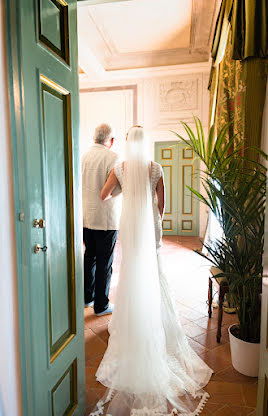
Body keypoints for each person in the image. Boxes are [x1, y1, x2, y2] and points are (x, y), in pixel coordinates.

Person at [89, 126, 213, 416]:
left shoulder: (119, 167)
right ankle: (157, 320)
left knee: (131, 270)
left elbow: (105, 195)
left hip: (130, 225)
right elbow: (161, 206)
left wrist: (124, 189)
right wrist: (152, 219)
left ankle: (134, 317)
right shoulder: (155, 168)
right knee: (154, 270)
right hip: (149, 226)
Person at [82, 123, 121, 316]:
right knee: (105, 263)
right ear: (111, 141)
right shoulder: (113, 157)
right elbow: (114, 189)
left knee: (90, 258)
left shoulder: (83, 156)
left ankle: (87, 298)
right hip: (106, 219)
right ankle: (101, 305)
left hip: (86, 217)